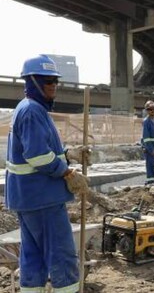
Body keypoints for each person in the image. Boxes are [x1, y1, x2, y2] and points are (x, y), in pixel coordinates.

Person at [5, 54, 90, 293]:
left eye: (55, 80)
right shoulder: (32, 111)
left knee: (33, 256)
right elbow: (38, 156)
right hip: (42, 197)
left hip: (29, 197)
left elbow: (41, 149)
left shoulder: (30, 109)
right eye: (46, 80)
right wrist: (67, 173)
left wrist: (69, 153)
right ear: (32, 81)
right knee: (61, 254)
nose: (52, 85)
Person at [141, 100, 154, 186]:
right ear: (147, 111)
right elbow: (146, 138)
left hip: (153, 148)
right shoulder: (146, 121)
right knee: (150, 164)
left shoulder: (153, 121)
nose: (152, 111)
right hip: (148, 148)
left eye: (153, 109)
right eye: (150, 109)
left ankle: (151, 181)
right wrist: (151, 149)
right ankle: (150, 182)